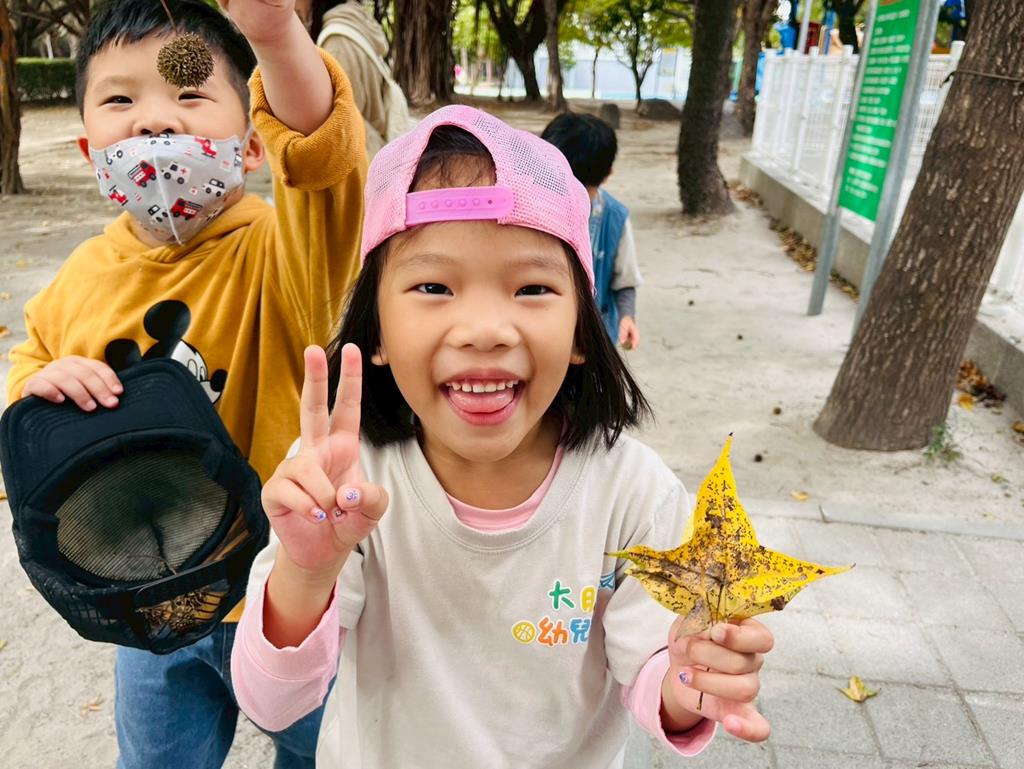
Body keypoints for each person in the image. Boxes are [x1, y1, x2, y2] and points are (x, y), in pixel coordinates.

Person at [230, 105, 774, 767]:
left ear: (582, 329)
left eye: (532, 287)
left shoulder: (632, 493)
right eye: (434, 285)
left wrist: (695, 677)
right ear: (376, 330)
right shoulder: (343, 484)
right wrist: (308, 569)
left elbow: (658, 668)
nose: (485, 329)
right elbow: (272, 703)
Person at [5, 0, 367, 765]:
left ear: (254, 143)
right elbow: (23, 395)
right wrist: (40, 391)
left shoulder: (287, 256)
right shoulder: (79, 279)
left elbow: (321, 154)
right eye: (119, 99)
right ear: (88, 148)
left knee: (324, 753)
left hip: (285, 596)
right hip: (144, 602)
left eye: (190, 92)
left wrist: (274, 34)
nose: (154, 119)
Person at [541, 112, 642, 351]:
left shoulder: (615, 218)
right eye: (560, 188)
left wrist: (626, 317)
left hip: (593, 340)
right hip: (542, 335)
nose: (572, 200)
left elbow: (624, 280)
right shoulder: (523, 210)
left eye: (581, 191)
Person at [297, 0, 404, 157]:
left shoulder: (337, 42)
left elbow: (343, 121)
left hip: (362, 158)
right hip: (374, 145)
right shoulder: (353, 18)